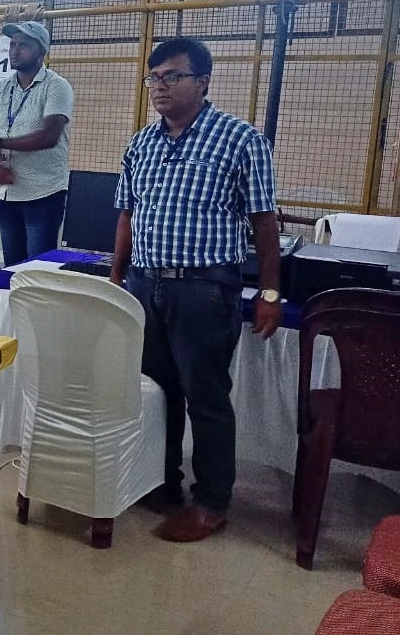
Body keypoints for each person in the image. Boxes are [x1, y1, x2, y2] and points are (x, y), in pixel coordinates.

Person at [108, 37, 281, 543]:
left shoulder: (241, 140)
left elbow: (264, 223)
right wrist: (116, 282)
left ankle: (211, 502)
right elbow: (127, 217)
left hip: (205, 290)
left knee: (205, 397)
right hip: (144, 285)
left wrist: (269, 294)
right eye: (154, 78)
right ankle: (161, 484)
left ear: (203, 82)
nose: (159, 87)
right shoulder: (141, 143)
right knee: (156, 393)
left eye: (172, 77)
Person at [0, 22, 74, 265]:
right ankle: (13, 305)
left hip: (43, 192)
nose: (15, 51)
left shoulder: (56, 86)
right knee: (12, 268)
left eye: (24, 46)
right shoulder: (1, 88)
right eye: (12, 45)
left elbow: (48, 137)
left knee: (37, 269)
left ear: (41, 52)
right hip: (7, 194)